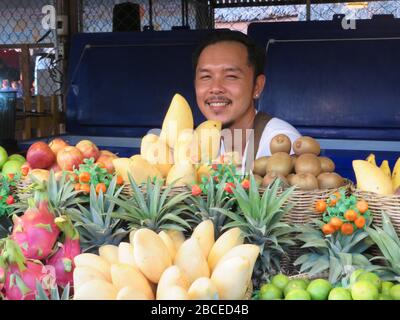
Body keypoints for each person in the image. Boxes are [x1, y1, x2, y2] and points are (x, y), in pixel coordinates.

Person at [192, 30, 301, 173]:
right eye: (206, 77)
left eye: (231, 76)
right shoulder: (193, 144)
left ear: (257, 86)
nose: (216, 88)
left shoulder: (281, 143)